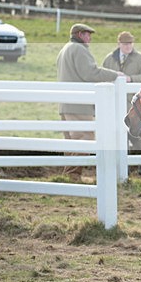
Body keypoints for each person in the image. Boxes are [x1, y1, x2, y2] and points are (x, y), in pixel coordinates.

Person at [56, 23, 122, 182]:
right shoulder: (79, 49)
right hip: (78, 104)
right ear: (80, 35)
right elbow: (90, 73)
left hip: (66, 104)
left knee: (72, 142)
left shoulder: (64, 49)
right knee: (85, 137)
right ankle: (73, 176)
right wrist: (116, 75)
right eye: (87, 34)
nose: (90, 38)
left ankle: (69, 176)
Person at [102, 31, 141, 175]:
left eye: (130, 43)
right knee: (117, 136)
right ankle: (121, 167)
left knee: (136, 134)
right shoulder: (109, 59)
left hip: (133, 104)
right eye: (125, 43)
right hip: (114, 104)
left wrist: (130, 79)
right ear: (119, 44)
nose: (128, 46)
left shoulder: (140, 59)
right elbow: (103, 75)